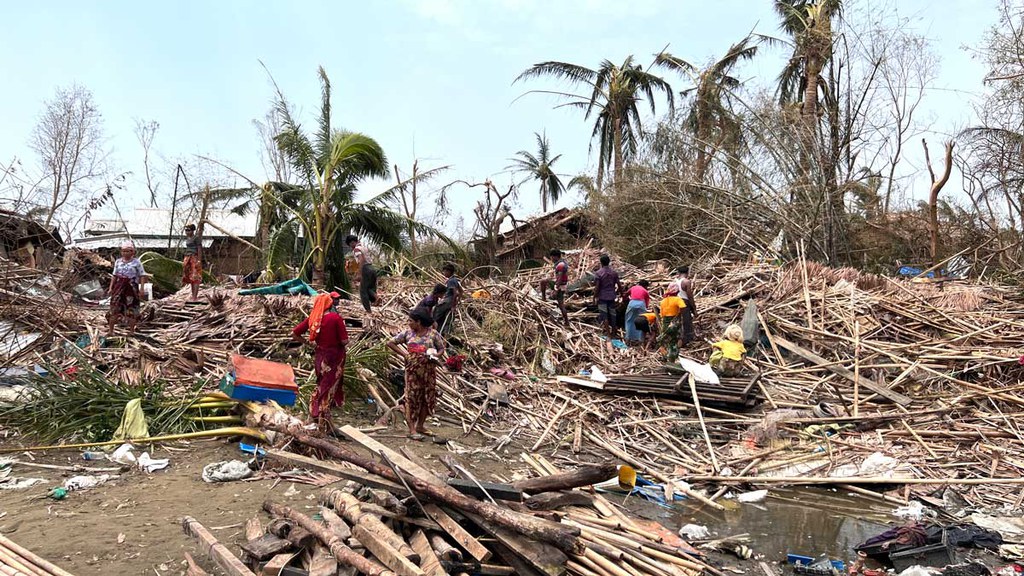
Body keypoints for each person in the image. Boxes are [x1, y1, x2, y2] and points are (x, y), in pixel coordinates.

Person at [292, 292, 349, 428]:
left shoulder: (313, 319)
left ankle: (322, 419)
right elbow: (344, 340)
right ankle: (321, 419)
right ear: (329, 303)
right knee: (328, 388)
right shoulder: (335, 318)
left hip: (320, 358)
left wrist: (308, 343)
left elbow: (295, 333)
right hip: (334, 358)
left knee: (322, 384)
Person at [387, 309, 446, 441]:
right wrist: (405, 355)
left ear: (418, 322)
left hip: (428, 372)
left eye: (411, 321)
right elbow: (390, 343)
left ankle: (420, 426)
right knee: (411, 398)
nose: (409, 323)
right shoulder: (407, 333)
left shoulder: (433, 334)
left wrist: (436, 354)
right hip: (412, 372)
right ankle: (412, 429)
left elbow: (442, 348)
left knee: (427, 397)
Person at [107, 242, 149, 336]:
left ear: (132, 252)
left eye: (128, 251)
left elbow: (142, 275)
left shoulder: (137, 262)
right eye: (123, 251)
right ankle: (110, 330)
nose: (125, 253)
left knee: (132, 308)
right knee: (114, 307)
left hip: (131, 287)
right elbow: (114, 275)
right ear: (121, 252)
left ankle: (131, 331)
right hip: (119, 287)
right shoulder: (118, 262)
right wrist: (111, 288)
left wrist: (142, 289)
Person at [592, 254, 622, 338]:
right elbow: (619, 285)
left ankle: (608, 334)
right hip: (612, 296)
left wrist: (594, 296)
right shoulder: (614, 273)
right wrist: (622, 295)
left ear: (601, 262)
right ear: (609, 262)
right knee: (613, 314)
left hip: (602, 297)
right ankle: (614, 332)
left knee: (604, 315)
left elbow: (597, 287)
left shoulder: (598, 273)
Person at [346, 235, 378, 312]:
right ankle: (375, 297)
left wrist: (359, 273)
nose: (351, 247)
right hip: (372, 268)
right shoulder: (363, 247)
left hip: (366, 269)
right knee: (369, 288)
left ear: (352, 242)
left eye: (350, 244)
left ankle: (368, 310)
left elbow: (361, 259)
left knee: (362, 291)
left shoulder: (356, 249)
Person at [540, 249, 570, 326]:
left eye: (552, 258)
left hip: (560, 286)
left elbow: (559, 278)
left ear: (555, 257)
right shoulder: (561, 263)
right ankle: (566, 322)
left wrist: (556, 289)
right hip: (561, 285)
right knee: (543, 281)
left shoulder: (560, 265)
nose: (551, 259)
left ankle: (566, 322)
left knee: (561, 305)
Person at [433, 262, 464, 334]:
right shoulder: (455, 280)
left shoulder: (451, 281)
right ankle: (443, 332)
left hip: (448, 300)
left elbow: (455, 293)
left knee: (436, 311)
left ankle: (431, 329)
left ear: (449, 272)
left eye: (445, 271)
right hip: (451, 301)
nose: (444, 273)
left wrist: (453, 305)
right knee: (446, 317)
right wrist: (457, 302)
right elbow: (461, 291)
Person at [659, 285, 686, 361]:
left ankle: (664, 357)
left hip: (665, 323)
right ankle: (672, 358)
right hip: (675, 322)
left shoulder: (663, 301)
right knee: (675, 340)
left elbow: (661, 314)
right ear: (677, 292)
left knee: (665, 340)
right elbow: (683, 308)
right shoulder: (678, 299)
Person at [673, 265, 697, 346]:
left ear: (679, 273)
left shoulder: (675, 281)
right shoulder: (686, 282)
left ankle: (677, 338)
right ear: (687, 273)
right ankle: (686, 340)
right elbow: (690, 295)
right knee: (686, 321)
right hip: (684, 302)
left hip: (676, 302)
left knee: (678, 320)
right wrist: (694, 307)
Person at [623, 280, 651, 345]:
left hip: (632, 303)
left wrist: (624, 300)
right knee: (641, 322)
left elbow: (626, 294)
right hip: (641, 304)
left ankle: (628, 338)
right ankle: (639, 339)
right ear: (645, 286)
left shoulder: (633, 287)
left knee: (629, 320)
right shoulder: (645, 291)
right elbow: (646, 303)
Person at [182, 223, 203, 301]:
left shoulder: (196, 238)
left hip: (194, 257)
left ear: (192, 230)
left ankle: (195, 297)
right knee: (190, 278)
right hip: (188, 257)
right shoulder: (188, 238)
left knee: (196, 277)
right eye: (186, 230)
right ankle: (192, 295)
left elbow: (199, 249)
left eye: (188, 230)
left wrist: (199, 260)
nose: (187, 232)